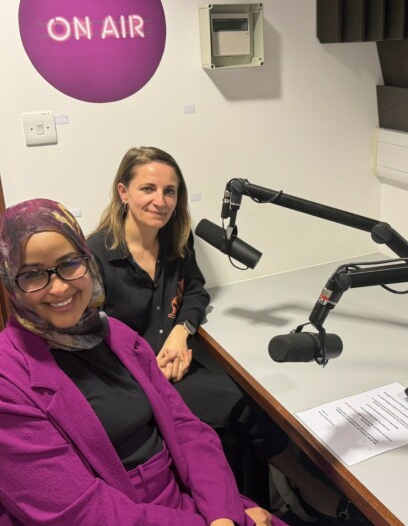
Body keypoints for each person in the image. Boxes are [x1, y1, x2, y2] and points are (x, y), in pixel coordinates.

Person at [87, 146, 369, 525]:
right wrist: (148, 368)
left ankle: (285, 489)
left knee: (249, 397)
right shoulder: (96, 255)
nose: (160, 200)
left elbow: (197, 292)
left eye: (170, 191)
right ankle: (279, 493)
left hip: (177, 363)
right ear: (123, 192)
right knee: (237, 405)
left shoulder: (176, 241)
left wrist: (181, 333)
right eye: (148, 189)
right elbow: (96, 335)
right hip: (133, 379)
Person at [0, 198, 284, 526]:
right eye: (32, 275)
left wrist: (223, 513)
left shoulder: (116, 335)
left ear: (87, 260)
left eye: (69, 263)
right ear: (9, 282)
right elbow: (78, 514)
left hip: (180, 502)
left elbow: (186, 429)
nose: (58, 287)